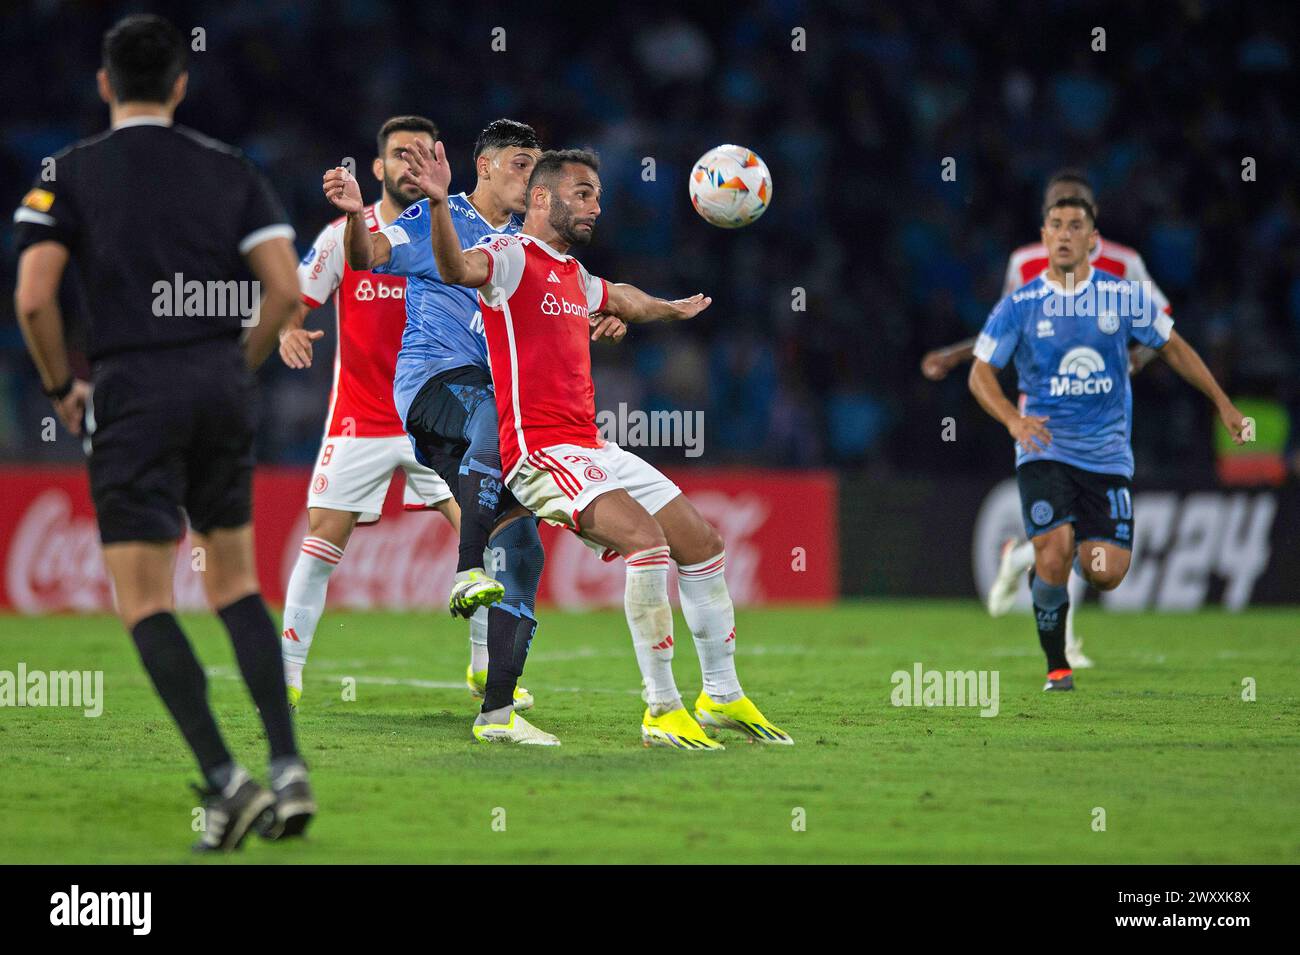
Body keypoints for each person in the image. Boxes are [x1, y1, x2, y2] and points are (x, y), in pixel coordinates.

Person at [11, 14, 314, 849]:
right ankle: (287, 767)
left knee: (145, 599)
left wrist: (61, 386)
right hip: (216, 383)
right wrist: (235, 367)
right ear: (181, 85)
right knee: (235, 581)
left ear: (105, 84)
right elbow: (285, 292)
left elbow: (34, 298)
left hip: (131, 388)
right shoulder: (232, 170)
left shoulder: (68, 175)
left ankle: (227, 780)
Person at [404, 139, 792, 748]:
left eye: (598, 197)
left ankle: (720, 694)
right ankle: (661, 709)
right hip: (540, 454)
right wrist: (434, 204)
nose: (595, 207)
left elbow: (619, 297)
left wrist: (667, 308)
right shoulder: (506, 256)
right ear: (540, 198)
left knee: (704, 543)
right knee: (647, 544)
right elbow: (456, 270)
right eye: (582, 194)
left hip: (592, 446)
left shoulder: (570, 273)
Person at [967, 195, 1246, 690]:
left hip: (1107, 456)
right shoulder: (1020, 305)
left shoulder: (1124, 298)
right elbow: (980, 374)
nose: (1066, 234)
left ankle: (1023, 554)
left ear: (1093, 241)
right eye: (1056, 225)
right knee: (1055, 553)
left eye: (1077, 226)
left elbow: (1175, 349)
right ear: (1045, 238)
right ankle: (1057, 667)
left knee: (1106, 571)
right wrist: (1013, 419)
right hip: (1044, 448)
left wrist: (1223, 404)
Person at [922, 170, 1174, 669]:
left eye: (1073, 214)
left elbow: (1163, 325)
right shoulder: (1024, 262)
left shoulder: (1124, 264)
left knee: (1075, 538)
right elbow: (1007, 325)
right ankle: (1065, 646)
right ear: (1045, 216)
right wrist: (956, 356)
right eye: (1054, 213)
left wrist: (1134, 361)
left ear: (1089, 218)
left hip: (1102, 410)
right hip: (1040, 412)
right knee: (1060, 536)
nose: (1063, 227)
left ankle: (1022, 558)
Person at [280, 115, 478, 710]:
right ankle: (285, 676)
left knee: (486, 530)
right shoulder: (346, 236)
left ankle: (489, 670)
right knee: (323, 539)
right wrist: (290, 328)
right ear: (378, 167)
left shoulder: (462, 234)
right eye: (399, 154)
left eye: (422, 154)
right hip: (360, 419)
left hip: (437, 416)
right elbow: (294, 300)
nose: (410, 164)